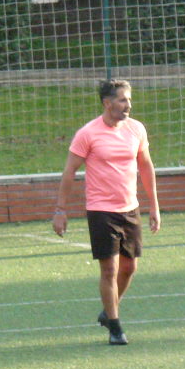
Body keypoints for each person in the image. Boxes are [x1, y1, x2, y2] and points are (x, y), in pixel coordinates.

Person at [52, 79, 161, 345]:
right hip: (101, 210)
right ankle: (115, 326)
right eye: (122, 100)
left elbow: (146, 167)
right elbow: (69, 172)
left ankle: (109, 308)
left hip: (130, 208)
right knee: (109, 269)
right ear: (107, 103)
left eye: (129, 100)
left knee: (129, 267)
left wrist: (154, 206)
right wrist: (60, 209)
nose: (128, 105)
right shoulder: (88, 134)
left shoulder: (136, 129)